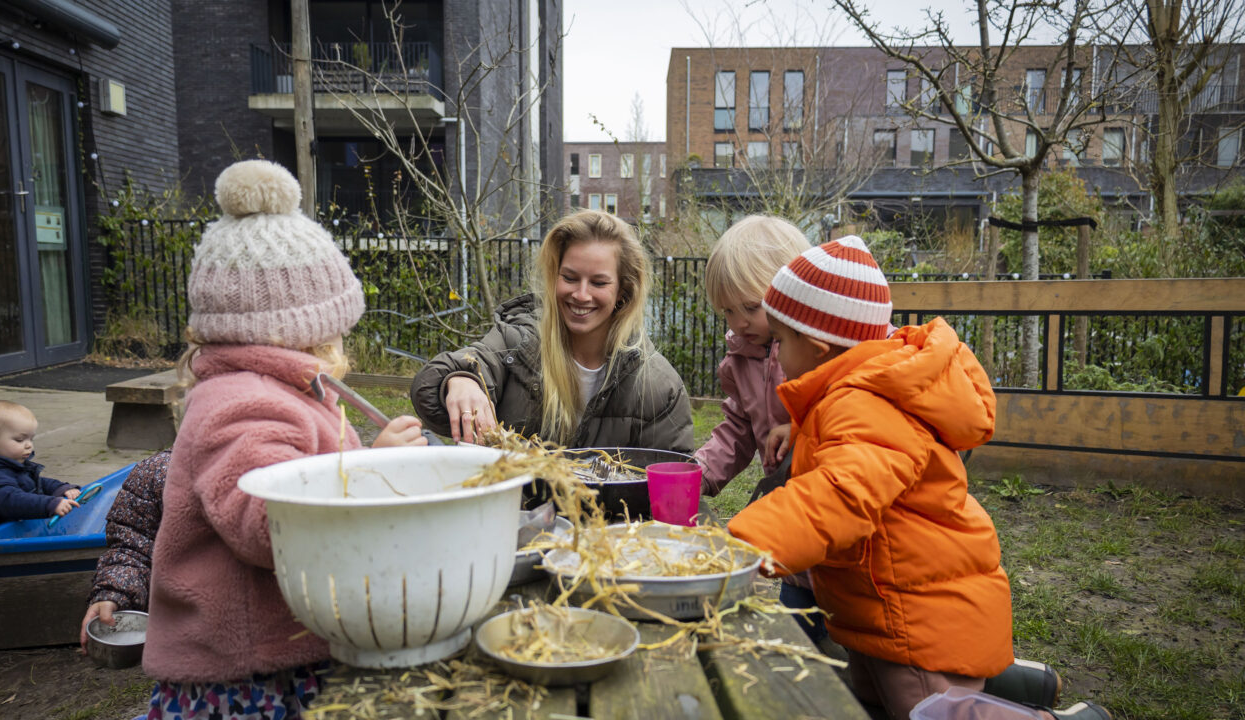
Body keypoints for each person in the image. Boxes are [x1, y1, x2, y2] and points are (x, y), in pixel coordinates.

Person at [726, 237, 1110, 720]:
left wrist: (737, 548)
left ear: (818, 346)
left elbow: (839, 493)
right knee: (872, 699)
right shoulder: (856, 389)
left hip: (915, 616)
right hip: (879, 605)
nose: (774, 354)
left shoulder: (861, 402)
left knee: (928, 713)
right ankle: (1028, 688)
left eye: (779, 341)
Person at [141, 159, 427, 720]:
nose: (343, 338)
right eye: (336, 326)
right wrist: (372, 472)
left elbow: (310, 477)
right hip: (245, 677)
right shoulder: (241, 404)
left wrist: (368, 458)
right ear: (298, 329)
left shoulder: (285, 390)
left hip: (282, 649)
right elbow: (268, 527)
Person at [411, 209, 693, 452]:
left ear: (623, 291)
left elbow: (670, 482)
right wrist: (460, 379)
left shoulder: (658, 386)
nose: (581, 295)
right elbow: (431, 391)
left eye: (598, 283)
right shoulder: (518, 343)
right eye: (569, 278)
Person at [690, 216, 827, 644]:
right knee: (795, 634)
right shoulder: (742, 359)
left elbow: (852, 410)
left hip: (834, 514)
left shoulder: (824, 348)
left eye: (750, 307)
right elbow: (737, 429)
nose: (737, 322)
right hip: (790, 528)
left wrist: (799, 424)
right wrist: (698, 472)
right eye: (727, 310)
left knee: (855, 632)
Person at [78, 450, 170, 653]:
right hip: (188, 646)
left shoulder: (254, 473)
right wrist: (114, 592)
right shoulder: (158, 472)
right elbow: (134, 549)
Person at [0, 400, 81, 536]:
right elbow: (12, 500)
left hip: (8, 534)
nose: (29, 445)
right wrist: (48, 504)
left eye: (31, 439)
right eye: (20, 440)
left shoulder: (7, 463)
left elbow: (30, 482)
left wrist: (60, 488)